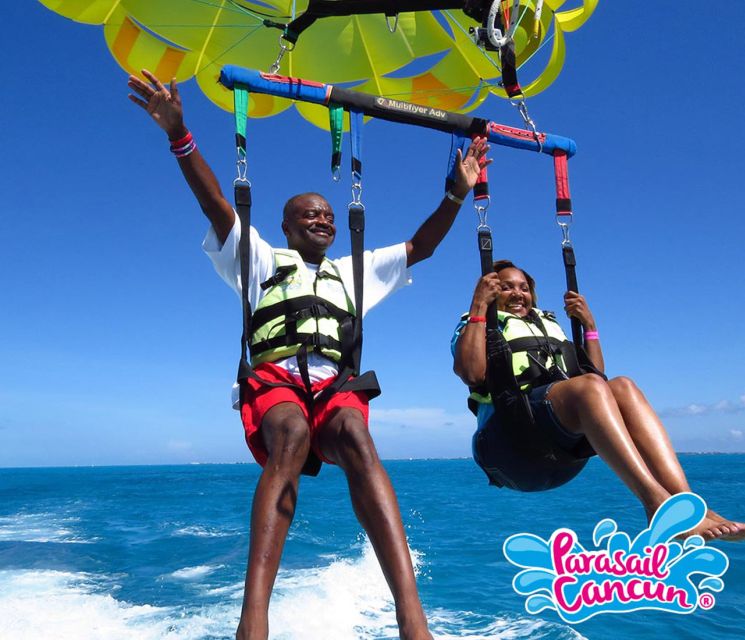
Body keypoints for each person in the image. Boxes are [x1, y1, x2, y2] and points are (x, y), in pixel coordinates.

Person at [128, 69, 490, 640]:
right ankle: (255, 616)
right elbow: (215, 203)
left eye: (326, 213)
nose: (322, 218)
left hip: (335, 387)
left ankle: (410, 614)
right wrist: (180, 135)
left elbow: (420, 246)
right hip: (274, 385)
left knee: (356, 434)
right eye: (309, 214)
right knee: (292, 434)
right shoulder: (260, 260)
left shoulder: (355, 270)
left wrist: (456, 192)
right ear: (285, 225)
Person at [452, 260, 744, 541]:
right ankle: (657, 505)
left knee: (623, 386)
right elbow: (472, 372)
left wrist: (589, 324)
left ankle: (689, 506)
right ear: (490, 291)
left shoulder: (547, 324)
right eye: (506, 287)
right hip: (510, 446)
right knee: (590, 387)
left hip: (558, 450)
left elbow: (596, 377)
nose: (517, 293)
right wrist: (479, 307)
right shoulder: (478, 324)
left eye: (524, 287)